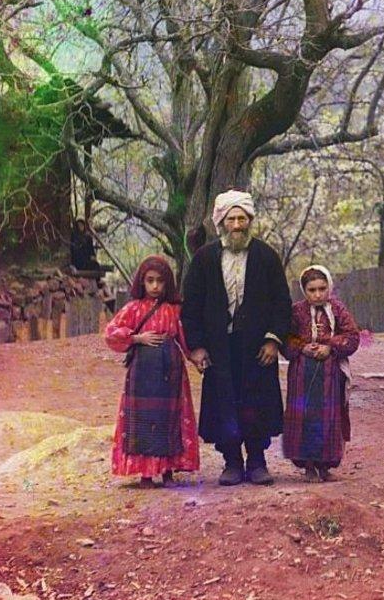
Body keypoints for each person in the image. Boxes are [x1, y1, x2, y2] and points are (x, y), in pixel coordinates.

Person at [181, 190, 292, 486]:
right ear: (221, 223)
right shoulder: (204, 259)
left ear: (250, 220)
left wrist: (273, 340)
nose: (238, 225)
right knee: (224, 402)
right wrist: (197, 347)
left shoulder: (266, 256)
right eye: (231, 219)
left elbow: (282, 302)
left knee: (257, 403)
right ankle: (231, 462)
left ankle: (257, 462)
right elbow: (191, 307)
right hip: (219, 347)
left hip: (257, 347)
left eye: (242, 219)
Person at [104, 255, 200, 488]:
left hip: (171, 373)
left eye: (160, 281)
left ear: (168, 282)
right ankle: (145, 474)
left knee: (170, 418)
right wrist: (137, 338)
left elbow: (186, 339)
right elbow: (111, 333)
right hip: (142, 374)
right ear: (142, 282)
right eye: (150, 280)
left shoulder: (175, 310)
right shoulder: (133, 308)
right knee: (143, 420)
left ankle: (167, 471)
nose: (155, 286)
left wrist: (196, 357)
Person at [282, 265, 360, 482]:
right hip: (302, 374)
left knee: (328, 416)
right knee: (304, 416)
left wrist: (330, 347)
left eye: (322, 289)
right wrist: (302, 347)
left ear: (329, 288)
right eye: (312, 290)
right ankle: (308, 466)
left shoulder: (338, 309)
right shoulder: (297, 311)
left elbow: (352, 336)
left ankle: (325, 466)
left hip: (330, 373)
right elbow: (285, 338)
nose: (317, 294)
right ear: (304, 290)